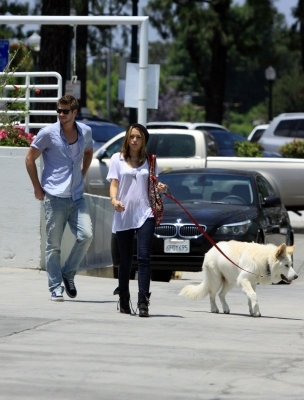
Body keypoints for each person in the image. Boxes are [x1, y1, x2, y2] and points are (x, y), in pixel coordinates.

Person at [25, 95, 93, 301]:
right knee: (53, 245)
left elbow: (89, 151)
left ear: (74, 113)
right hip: (55, 197)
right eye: (59, 111)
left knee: (86, 235)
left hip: (77, 197)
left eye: (65, 111)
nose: (61, 115)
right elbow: (29, 159)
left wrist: (82, 173)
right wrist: (37, 187)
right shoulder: (48, 134)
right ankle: (55, 286)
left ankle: (68, 272)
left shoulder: (85, 132)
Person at [106, 123, 167, 317]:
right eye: (131, 136)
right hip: (124, 213)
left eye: (138, 137)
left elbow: (153, 184)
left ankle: (143, 302)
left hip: (145, 212)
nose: (134, 140)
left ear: (144, 141)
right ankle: (124, 297)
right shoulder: (117, 159)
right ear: (127, 138)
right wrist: (114, 200)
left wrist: (161, 188)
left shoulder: (151, 161)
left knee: (143, 257)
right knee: (125, 260)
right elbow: (114, 184)